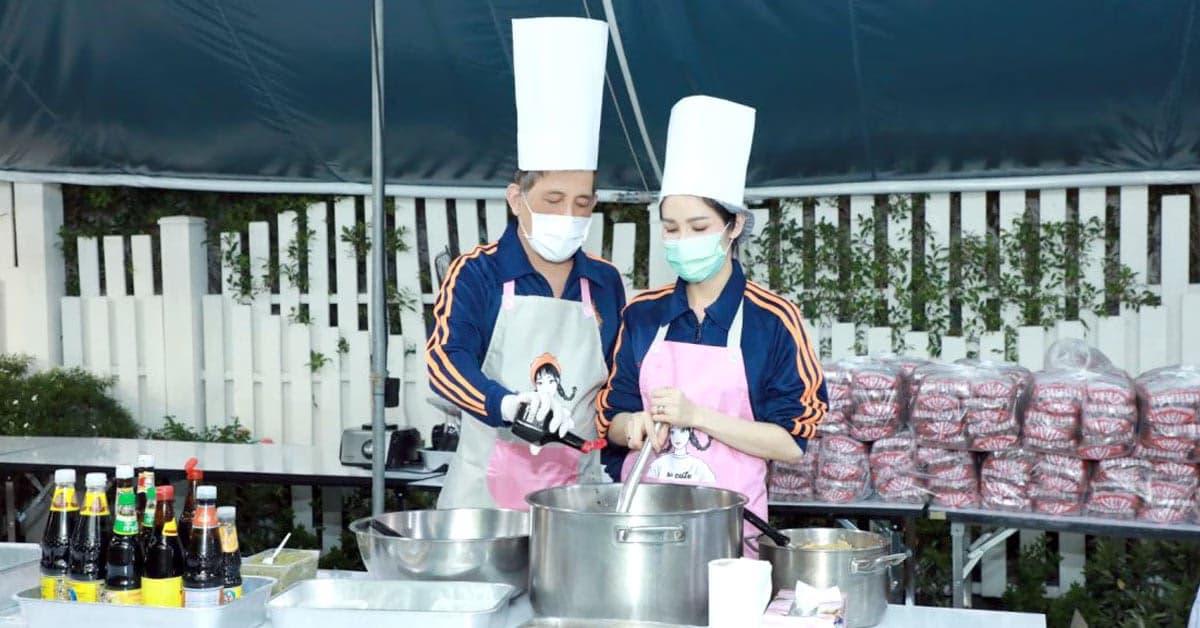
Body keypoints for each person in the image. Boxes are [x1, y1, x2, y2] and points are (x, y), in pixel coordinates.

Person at [596, 96, 827, 554]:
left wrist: (697, 416)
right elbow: (611, 420)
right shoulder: (643, 315)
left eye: (698, 226)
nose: (682, 241)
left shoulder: (773, 320)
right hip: (640, 533)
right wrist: (636, 425)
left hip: (731, 539)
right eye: (671, 228)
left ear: (734, 225)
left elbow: (791, 443)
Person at [427, 17, 626, 510]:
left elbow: (614, 387)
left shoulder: (603, 282)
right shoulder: (479, 272)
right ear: (517, 198)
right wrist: (507, 404)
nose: (569, 215)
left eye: (583, 203)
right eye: (554, 198)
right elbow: (445, 363)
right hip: (483, 507)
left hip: (574, 502)